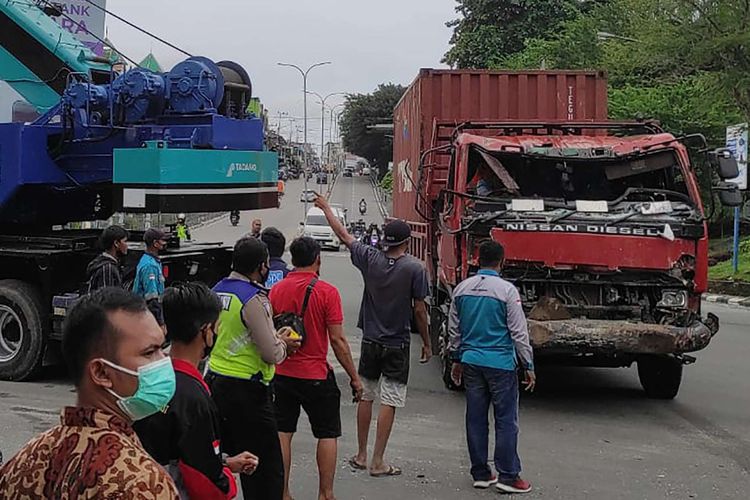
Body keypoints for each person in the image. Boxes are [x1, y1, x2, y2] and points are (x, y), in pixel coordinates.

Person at [0, 288, 179, 498]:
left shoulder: (27, 459)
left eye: (162, 348)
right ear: (101, 372)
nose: (164, 361)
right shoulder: (141, 483)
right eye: (150, 352)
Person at [314, 194, 432, 478]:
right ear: (406, 242)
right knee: (389, 399)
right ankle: (378, 461)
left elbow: (342, 234)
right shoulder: (415, 268)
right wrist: (427, 343)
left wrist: (326, 207)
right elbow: (419, 310)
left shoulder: (369, 258)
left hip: (370, 340)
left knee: (366, 395)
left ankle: (361, 454)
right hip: (397, 343)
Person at [135, 282, 258, 499]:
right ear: (206, 331)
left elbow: (176, 451)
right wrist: (225, 478)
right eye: (217, 327)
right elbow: (205, 482)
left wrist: (225, 462)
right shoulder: (193, 398)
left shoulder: (149, 377)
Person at [269, 237, 364, 500]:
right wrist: (355, 378)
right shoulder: (327, 292)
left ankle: (284, 492)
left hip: (282, 372)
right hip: (316, 375)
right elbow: (337, 340)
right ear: (317, 259)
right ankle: (325, 493)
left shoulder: (276, 290)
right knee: (327, 433)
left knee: (283, 432)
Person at [206, 237, 300, 500]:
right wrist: (283, 343)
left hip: (216, 383)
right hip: (248, 391)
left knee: (219, 458)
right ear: (261, 266)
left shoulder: (217, 290)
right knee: (265, 470)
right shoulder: (254, 299)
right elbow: (271, 353)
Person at [447, 241, 535, 494]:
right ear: (502, 261)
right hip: (501, 365)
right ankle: (508, 476)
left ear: (477, 260)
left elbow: (454, 331)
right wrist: (528, 364)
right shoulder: (507, 291)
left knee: (475, 418)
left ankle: (481, 474)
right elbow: (519, 333)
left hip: (471, 362)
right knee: (506, 420)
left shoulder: (462, 289)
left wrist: (456, 359)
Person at [133, 227, 168, 323]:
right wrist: (160, 323)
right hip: (146, 317)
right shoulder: (150, 266)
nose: (165, 243)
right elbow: (152, 299)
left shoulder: (153, 261)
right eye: (163, 241)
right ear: (155, 243)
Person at [85, 224, 129, 293]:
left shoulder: (108, 265)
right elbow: (106, 300)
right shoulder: (107, 268)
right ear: (116, 243)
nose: (127, 245)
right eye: (125, 241)